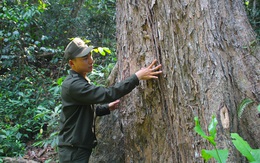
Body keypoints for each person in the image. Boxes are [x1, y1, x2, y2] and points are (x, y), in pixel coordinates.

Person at [58, 37, 162, 163]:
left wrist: (106, 108)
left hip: (76, 147)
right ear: (71, 63)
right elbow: (109, 94)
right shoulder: (74, 85)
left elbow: (80, 112)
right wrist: (137, 77)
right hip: (73, 150)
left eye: (90, 55)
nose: (91, 60)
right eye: (85, 59)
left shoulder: (78, 81)